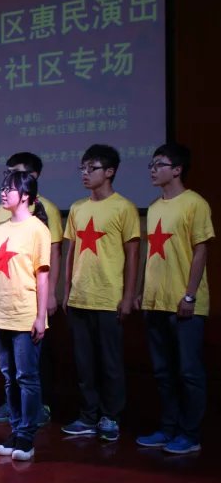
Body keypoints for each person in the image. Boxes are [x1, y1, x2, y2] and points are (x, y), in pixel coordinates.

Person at [135, 144, 213, 455]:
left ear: (177, 169)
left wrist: (190, 295)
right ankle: (167, 428)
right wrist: (142, 291)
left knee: (189, 372)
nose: (153, 170)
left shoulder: (195, 203)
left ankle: (190, 434)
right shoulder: (154, 207)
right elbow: (152, 255)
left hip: (185, 304)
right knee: (163, 372)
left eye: (160, 165)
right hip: (155, 302)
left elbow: (200, 251)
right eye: (151, 165)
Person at [61, 145, 139, 442]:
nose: (84, 173)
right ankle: (88, 415)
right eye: (82, 167)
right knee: (84, 364)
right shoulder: (77, 208)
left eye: (91, 168)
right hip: (80, 297)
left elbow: (133, 255)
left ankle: (110, 416)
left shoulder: (124, 208)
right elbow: (71, 253)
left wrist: (128, 296)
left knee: (110, 363)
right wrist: (67, 291)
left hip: (109, 299)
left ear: (109, 172)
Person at [0, 152, 60, 426]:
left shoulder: (38, 229)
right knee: (9, 375)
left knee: (26, 375)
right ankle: (16, 425)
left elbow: (42, 275)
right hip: (0, 313)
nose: (3, 192)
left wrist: (41, 316)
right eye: (2, 187)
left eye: (9, 188)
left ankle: (27, 431)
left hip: (24, 313)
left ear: (26, 194)